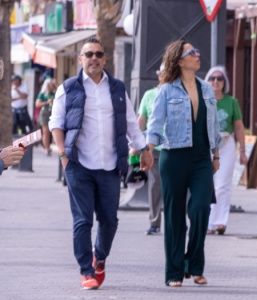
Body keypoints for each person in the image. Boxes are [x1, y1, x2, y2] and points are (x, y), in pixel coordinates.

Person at [49, 38, 152, 290]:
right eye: (89, 54)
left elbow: (130, 123)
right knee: (82, 220)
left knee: (109, 220)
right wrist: (63, 153)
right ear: (80, 59)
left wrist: (143, 148)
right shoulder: (68, 88)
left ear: (105, 59)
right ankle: (86, 270)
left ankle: (100, 257)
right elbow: (56, 122)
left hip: (110, 165)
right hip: (78, 165)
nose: (94, 58)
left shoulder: (117, 88)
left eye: (98, 54)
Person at [145, 40, 220, 288]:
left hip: (201, 159)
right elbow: (155, 124)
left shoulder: (206, 88)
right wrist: (148, 151)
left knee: (201, 209)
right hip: (173, 157)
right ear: (179, 60)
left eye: (197, 51)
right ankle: (175, 272)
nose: (197, 55)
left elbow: (214, 125)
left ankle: (194, 263)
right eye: (191, 52)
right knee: (174, 216)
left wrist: (216, 155)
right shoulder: (166, 91)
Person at [204, 66, 246, 235]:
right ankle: (207, 222)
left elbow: (239, 127)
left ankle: (220, 222)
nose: (216, 81)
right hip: (206, 145)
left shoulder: (231, 102)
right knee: (207, 185)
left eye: (219, 78)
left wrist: (242, 151)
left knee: (222, 185)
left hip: (226, 145)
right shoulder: (202, 100)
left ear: (224, 82)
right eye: (212, 78)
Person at [138, 67, 165, 235]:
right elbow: (141, 119)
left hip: (174, 148)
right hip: (154, 148)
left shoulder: (179, 94)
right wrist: (136, 143)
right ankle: (155, 222)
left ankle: (175, 222)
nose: (166, 75)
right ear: (159, 75)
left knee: (175, 187)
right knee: (155, 185)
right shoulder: (149, 95)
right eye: (163, 73)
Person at [36, 76, 57, 155]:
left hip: (53, 113)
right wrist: (47, 102)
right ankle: (47, 148)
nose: (52, 85)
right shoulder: (43, 94)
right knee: (46, 132)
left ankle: (49, 146)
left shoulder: (54, 93)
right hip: (45, 113)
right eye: (51, 84)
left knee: (53, 131)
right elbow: (37, 104)